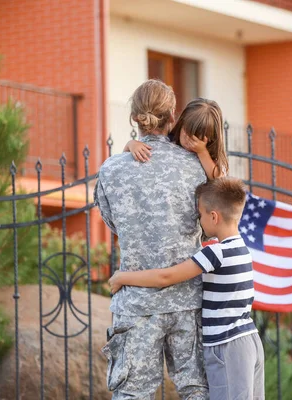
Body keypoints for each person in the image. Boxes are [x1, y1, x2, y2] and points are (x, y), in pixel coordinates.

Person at [95, 79, 208, 399]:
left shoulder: (111, 170)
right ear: (173, 116)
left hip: (136, 304)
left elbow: (111, 222)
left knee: (132, 393)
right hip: (188, 302)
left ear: (134, 118)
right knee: (198, 391)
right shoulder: (195, 167)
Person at [109, 177, 265, 400]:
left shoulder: (216, 253)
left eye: (200, 214)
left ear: (214, 216)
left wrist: (123, 277)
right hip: (249, 341)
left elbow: (166, 276)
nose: (199, 221)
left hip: (227, 346)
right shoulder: (242, 249)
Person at [123, 98, 228, 180]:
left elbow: (219, 179)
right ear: (181, 123)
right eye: (187, 134)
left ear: (211, 138)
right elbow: (124, 156)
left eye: (198, 139)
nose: (190, 142)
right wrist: (131, 144)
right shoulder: (168, 141)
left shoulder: (211, 154)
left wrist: (202, 152)